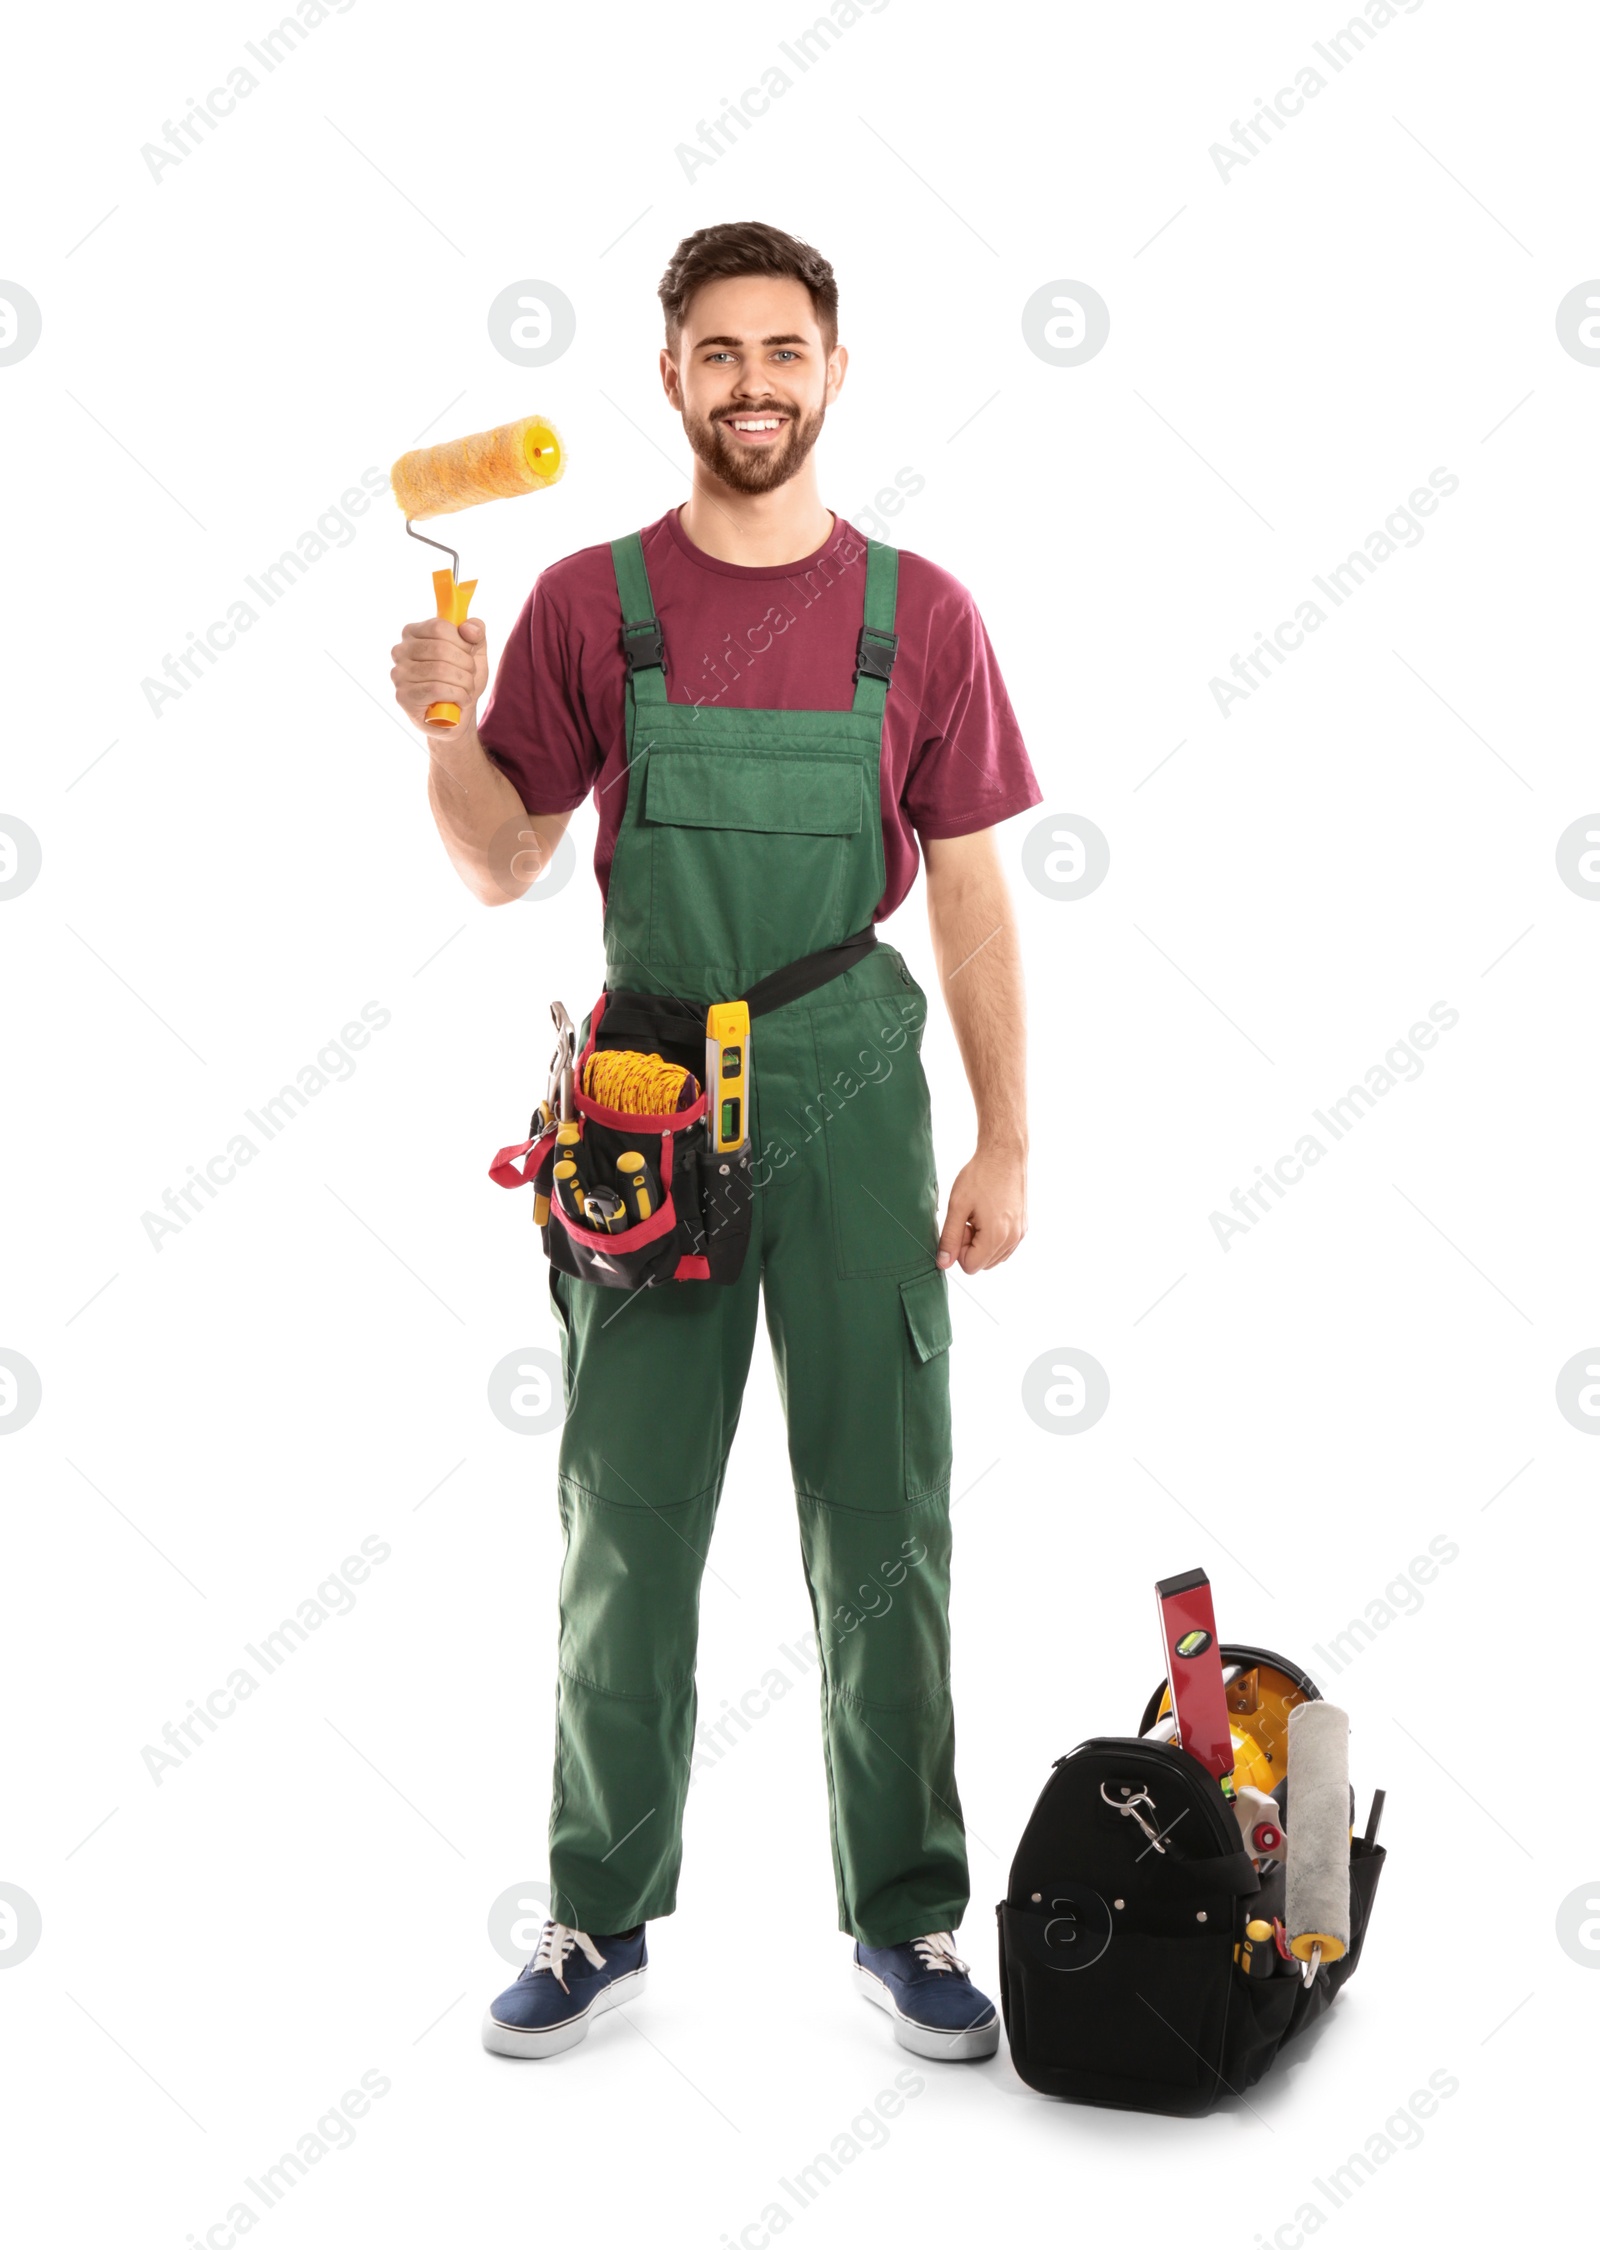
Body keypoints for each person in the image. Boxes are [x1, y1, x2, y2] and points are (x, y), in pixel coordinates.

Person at [391, 220, 1040, 2066]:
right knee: (628, 1524)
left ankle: (909, 1917)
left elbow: (977, 893)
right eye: (718, 352)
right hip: (644, 1098)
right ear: (668, 376)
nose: (754, 382)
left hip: (853, 1079)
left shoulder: (926, 615)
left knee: (884, 1525)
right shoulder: (593, 605)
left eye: (786, 349)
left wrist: (1007, 1136)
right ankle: (599, 1915)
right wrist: (445, 719)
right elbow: (504, 860)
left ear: (835, 373)